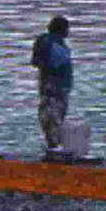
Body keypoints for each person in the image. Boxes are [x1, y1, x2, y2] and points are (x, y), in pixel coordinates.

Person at [30, 16, 73, 152]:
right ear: (62, 29)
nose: (69, 32)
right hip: (53, 87)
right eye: (67, 28)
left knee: (54, 118)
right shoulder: (49, 42)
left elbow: (36, 61)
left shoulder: (51, 41)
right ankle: (54, 147)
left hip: (57, 86)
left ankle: (54, 145)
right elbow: (38, 61)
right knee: (52, 118)